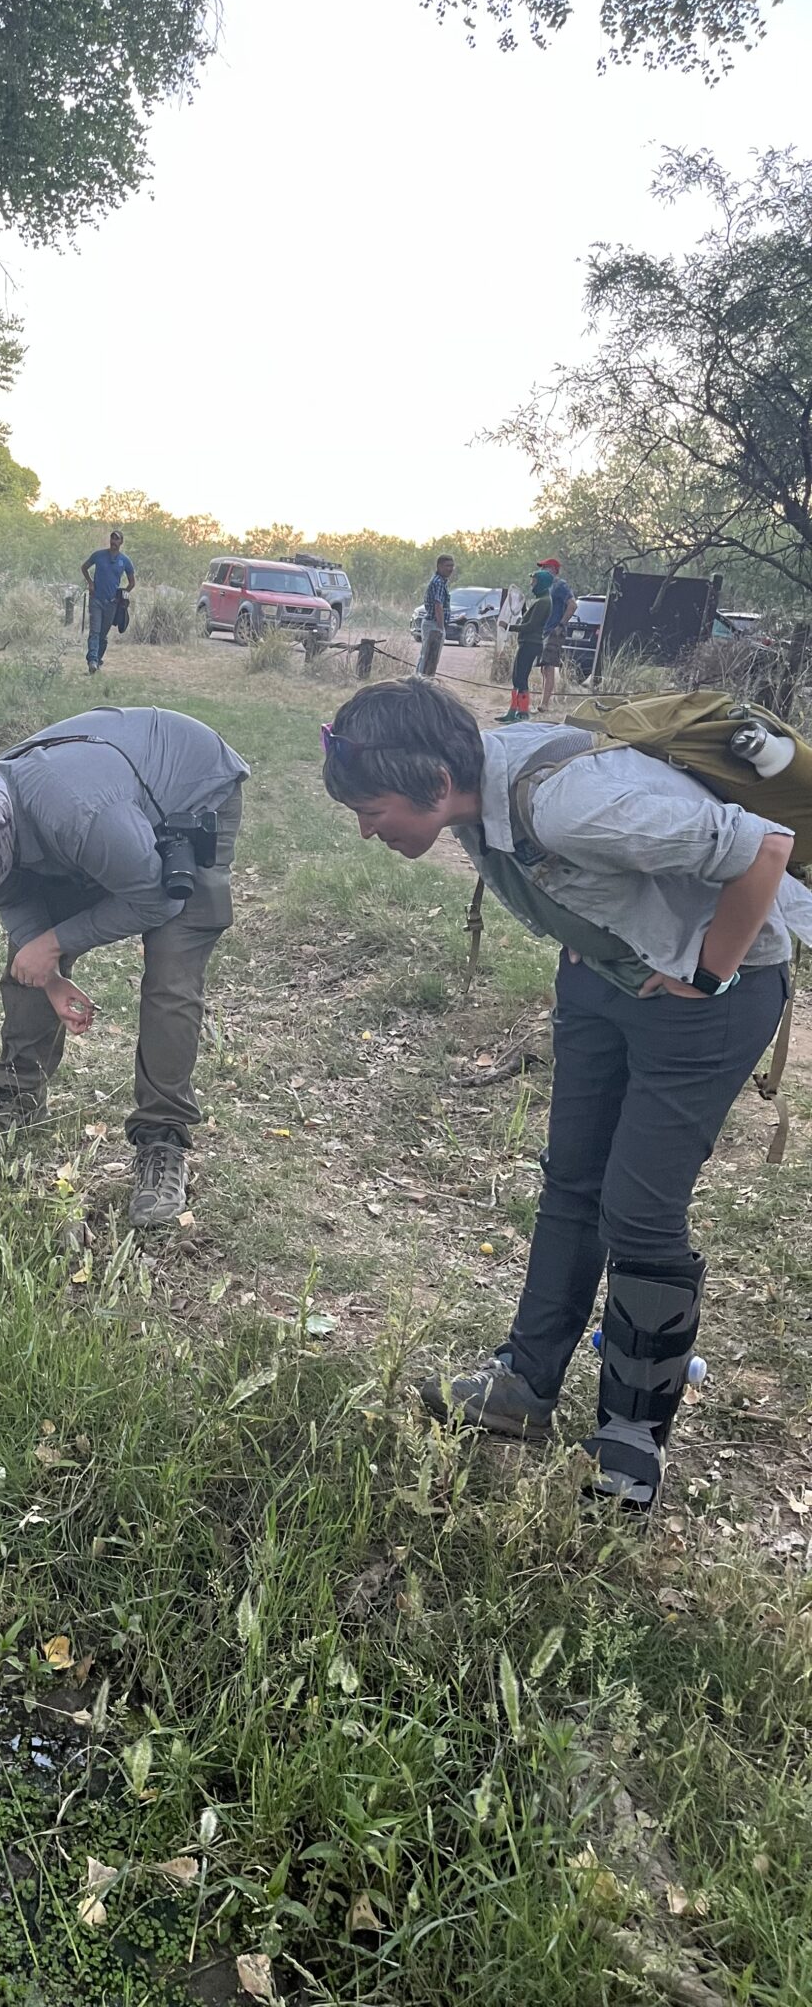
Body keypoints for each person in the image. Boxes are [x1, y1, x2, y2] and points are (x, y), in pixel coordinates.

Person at [320, 676, 807, 1512]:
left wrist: (707, 974)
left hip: (712, 994)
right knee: (571, 1182)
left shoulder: (571, 805)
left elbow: (764, 846)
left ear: (436, 781)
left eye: (374, 808)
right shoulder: (477, 795)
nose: (369, 829)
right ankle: (524, 1386)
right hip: (605, 979)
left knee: (640, 1211)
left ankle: (629, 1443)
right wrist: (585, 942)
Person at [0, 705, 249, 1227]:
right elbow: (13, 899)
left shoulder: (77, 815)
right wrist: (49, 971)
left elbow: (158, 901)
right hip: (106, 814)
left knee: (170, 978)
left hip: (190, 793)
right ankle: (15, 1100)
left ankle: (162, 1142)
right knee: (27, 959)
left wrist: (60, 939)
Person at [80, 530, 135, 673]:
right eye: (112, 538)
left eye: (117, 539)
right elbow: (84, 567)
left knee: (103, 635)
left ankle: (97, 660)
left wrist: (123, 594)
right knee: (95, 631)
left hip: (112, 602)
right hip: (96, 599)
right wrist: (90, 583)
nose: (114, 542)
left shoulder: (125, 561)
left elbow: (132, 582)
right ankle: (92, 660)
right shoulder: (98, 555)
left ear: (121, 542)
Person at [500, 568, 552, 721]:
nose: (531, 585)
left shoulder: (544, 602)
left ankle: (522, 712)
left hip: (530, 643)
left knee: (521, 678)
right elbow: (528, 619)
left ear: (541, 583)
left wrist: (509, 627)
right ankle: (513, 710)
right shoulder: (541, 601)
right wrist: (522, 607)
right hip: (529, 642)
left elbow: (531, 626)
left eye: (534, 582)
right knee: (517, 677)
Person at [536, 557, 574, 714]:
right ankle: (543, 701)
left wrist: (561, 625)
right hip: (545, 630)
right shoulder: (546, 587)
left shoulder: (560, 585)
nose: (541, 570)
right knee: (544, 667)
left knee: (549, 666)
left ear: (552, 569)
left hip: (554, 630)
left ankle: (545, 703)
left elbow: (572, 605)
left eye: (544, 567)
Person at [418, 554, 454, 677]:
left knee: (427, 657)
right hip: (433, 624)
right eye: (447, 566)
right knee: (429, 657)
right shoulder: (438, 582)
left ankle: (423, 680)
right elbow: (438, 605)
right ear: (439, 566)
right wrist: (440, 627)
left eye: (452, 566)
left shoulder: (441, 582)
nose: (450, 569)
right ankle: (423, 682)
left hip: (433, 623)